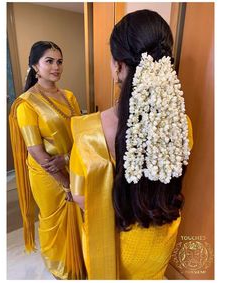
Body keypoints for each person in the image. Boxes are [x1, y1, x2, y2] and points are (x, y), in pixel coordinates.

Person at [69, 10, 194, 279]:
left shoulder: (88, 131)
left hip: (114, 245)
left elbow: (81, 198)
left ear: (118, 66)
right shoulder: (181, 123)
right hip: (161, 238)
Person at [9, 41, 86, 279]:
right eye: (49, 61)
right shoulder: (26, 104)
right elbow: (36, 152)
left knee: (79, 217)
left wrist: (66, 160)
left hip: (72, 165)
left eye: (59, 61)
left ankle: (79, 259)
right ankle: (60, 265)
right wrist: (64, 182)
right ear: (35, 66)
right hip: (47, 175)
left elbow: (79, 133)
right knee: (53, 220)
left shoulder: (70, 96)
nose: (56, 67)